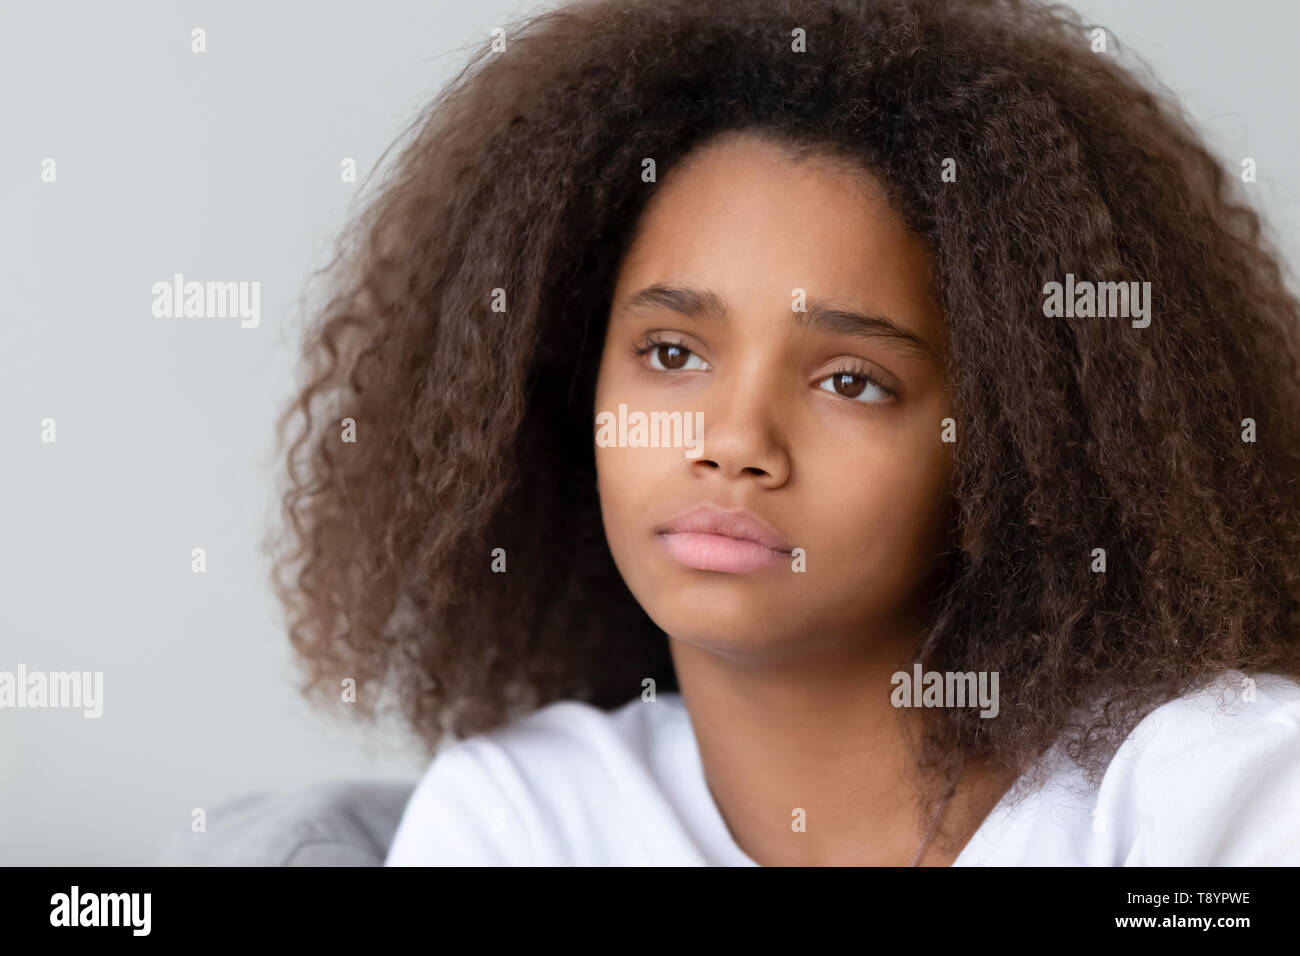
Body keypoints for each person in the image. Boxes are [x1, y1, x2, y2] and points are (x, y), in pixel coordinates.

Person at [265, 0, 1300, 865]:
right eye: (671, 353)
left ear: (1008, 450)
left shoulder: (1205, 794)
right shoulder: (521, 818)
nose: (733, 440)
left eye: (851, 379)